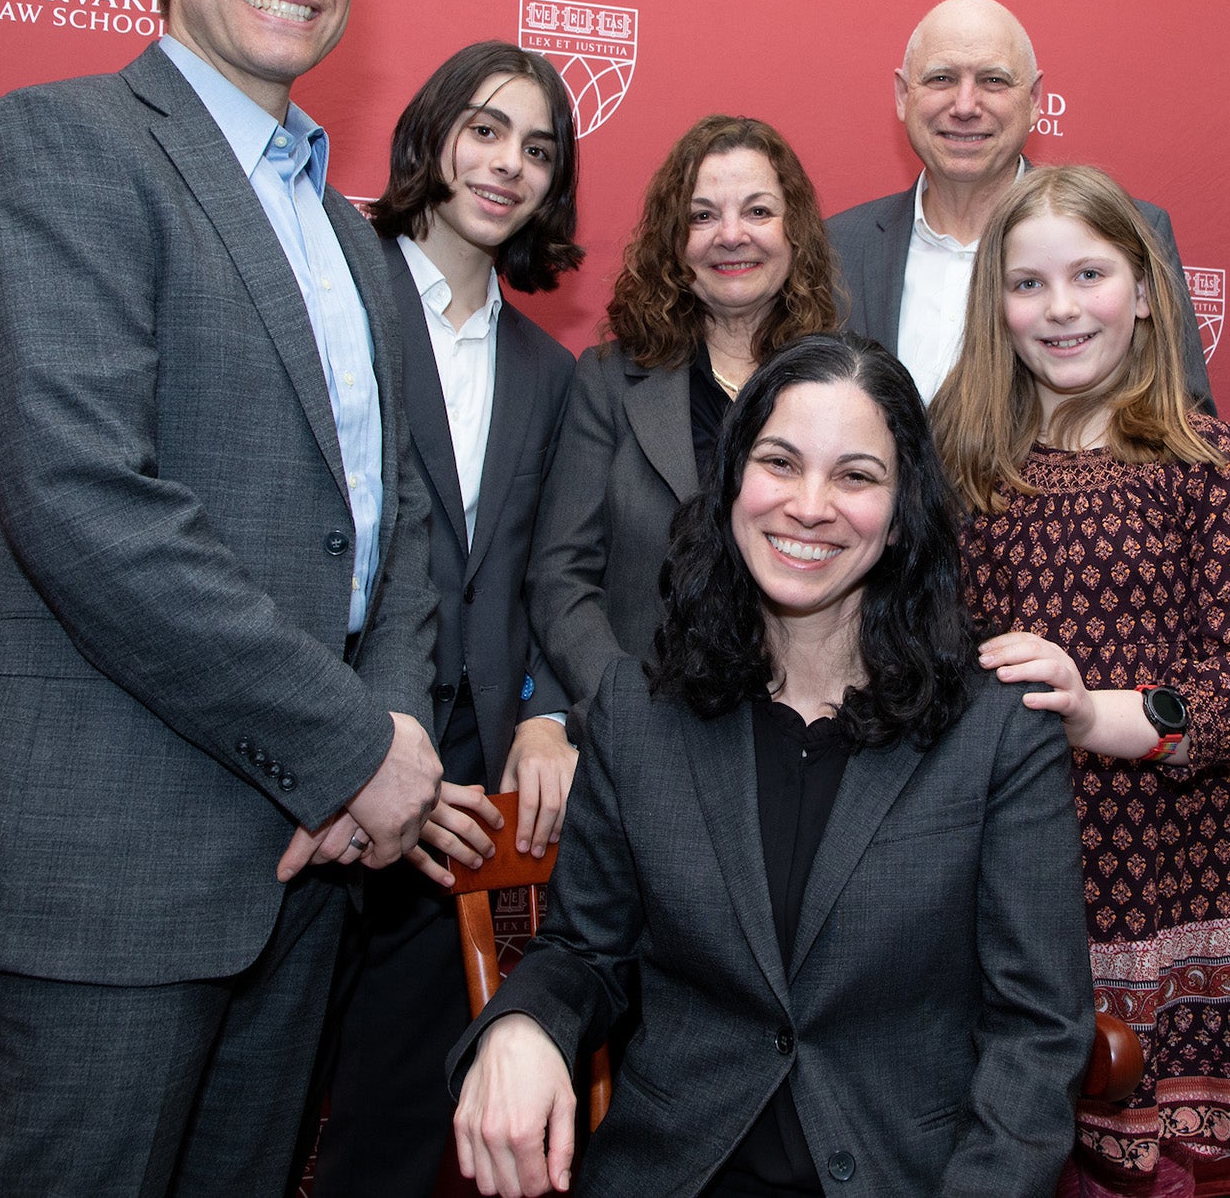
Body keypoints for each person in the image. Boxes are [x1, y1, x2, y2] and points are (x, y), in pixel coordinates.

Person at [0, 0, 443, 1196]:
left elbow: (406, 527)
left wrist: (391, 740)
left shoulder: (353, 235)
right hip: (107, 874)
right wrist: (349, 745)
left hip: (310, 874)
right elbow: (85, 503)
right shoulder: (58, 148)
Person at [450, 332, 1094, 1198]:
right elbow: (584, 950)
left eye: (857, 477)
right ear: (732, 485)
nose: (810, 505)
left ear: (903, 514)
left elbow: (1039, 1029)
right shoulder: (641, 711)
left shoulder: (997, 729)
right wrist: (521, 1025)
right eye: (780, 462)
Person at [935, 165, 1230, 1196]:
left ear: (1144, 291)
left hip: (1154, 881)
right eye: (1026, 283)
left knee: (1127, 1174)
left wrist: (1095, 712)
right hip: (994, 870)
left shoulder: (1206, 461)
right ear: (993, 305)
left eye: (1086, 274)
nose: (1057, 309)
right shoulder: (964, 465)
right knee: (986, 1151)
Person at [314, 42, 584, 1196]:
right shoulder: (333, 283)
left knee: (389, 1130)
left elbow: (551, 573)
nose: (507, 165)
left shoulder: (548, 368)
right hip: (317, 772)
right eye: (485, 130)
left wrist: (548, 712)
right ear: (430, 134)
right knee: (244, 1118)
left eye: (537, 149)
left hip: (465, 814)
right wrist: (364, 751)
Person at [528, 115, 841, 722]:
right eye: (702, 216)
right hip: (637, 723)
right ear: (674, 241)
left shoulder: (844, 386)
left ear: (795, 231)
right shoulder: (610, 380)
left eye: (757, 212)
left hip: (804, 728)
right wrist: (626, 711)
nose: (731, 235)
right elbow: (561, 576)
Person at [825, 0, 1214, 411]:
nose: (965, 106)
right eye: (941, 79)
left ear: (1033, 100)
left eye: (994, 81)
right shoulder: (837, 246)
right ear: (904, 95)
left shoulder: (1134, 232)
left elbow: (1182, 419)